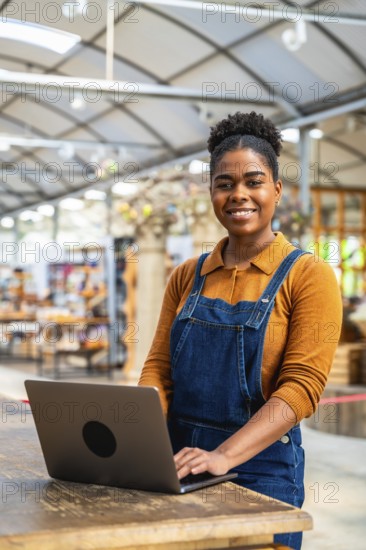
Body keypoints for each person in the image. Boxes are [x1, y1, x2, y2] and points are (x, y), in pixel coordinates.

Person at [138, 111, 342, 549]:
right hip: (179, 460)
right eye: (224, 184)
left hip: (261, 469)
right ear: (211, 192)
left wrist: (223, 456)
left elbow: (302, 388)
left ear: (277, 190)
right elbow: (158, 368)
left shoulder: (309, 275)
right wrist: (143, 439)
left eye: (254, 181)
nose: (239, 195)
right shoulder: (187, 276)